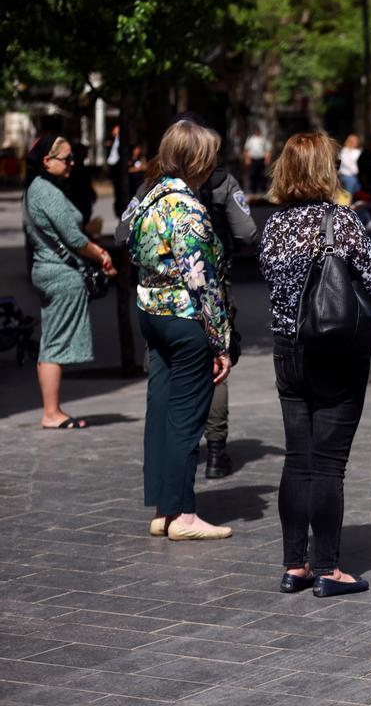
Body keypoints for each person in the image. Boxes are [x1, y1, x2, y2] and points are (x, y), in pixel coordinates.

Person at [259, 132, 371, 597]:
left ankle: (294, 565)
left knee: (298, 459)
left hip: (287, 351)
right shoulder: (343, 222)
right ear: (325, 170)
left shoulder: (273, 225)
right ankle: (328, 569)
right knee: (329, 465)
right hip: (335, 352)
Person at [117, 112, 258, 479]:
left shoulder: (150, 186)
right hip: (205, 284)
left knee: (162, 371)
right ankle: (215, 452)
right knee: (217, 363)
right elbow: (247, 232)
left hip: (156, 297)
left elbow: (122, 232)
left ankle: (173, 454)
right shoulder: (223, 182)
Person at [127, 120, 232, 541]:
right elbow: (203, 282)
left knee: (160, 410)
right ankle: (184, 516)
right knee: (186, 417)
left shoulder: (150, 196)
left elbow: (132, 247)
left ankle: (163, 508)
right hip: (185, 318)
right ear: (198, 161)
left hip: (151, 311)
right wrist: (221, 341)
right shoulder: (188, 207)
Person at [22, 136, 117, 430]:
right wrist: (101, 254)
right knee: (54, 343)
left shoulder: (39, 189)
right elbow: (74, 239)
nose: (73, 164)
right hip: (58, 273)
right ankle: (51, 413)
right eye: (67, 158)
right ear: (47, 161)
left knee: (51, 340)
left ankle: (52, 410)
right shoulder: (45, 192)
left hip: (48, 269)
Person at [242, 127, 270, 194]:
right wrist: (247, 159)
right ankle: (253, 190)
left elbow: (267, 150)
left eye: (258, 130)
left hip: (261, 159)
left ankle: (263, 190)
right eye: (256, 130)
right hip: (253, 159)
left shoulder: (263, 139)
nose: (257, 132)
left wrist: (267, 159)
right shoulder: (251, 139)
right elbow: (246, 150)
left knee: (262, 175)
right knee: (253, 175)